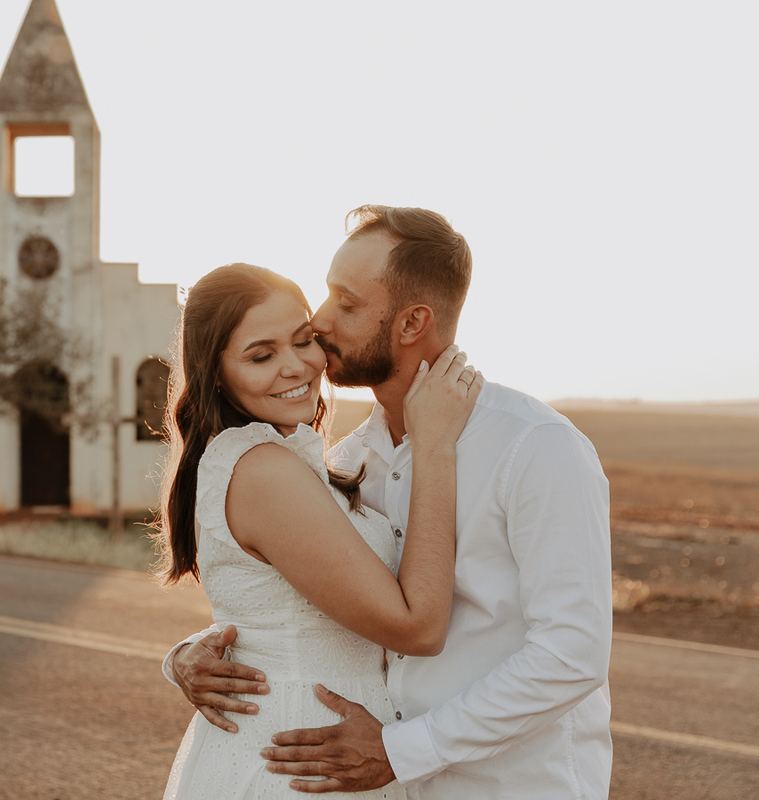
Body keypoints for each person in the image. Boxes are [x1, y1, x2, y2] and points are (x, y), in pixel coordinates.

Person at [165, 206, 613, 798]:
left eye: (345, 303)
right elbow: (305, 603)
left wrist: (403, 752)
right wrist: (190, 655)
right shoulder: (347, 461)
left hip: (503, 785)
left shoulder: (536, 447)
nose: (320, 321)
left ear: (411, 323)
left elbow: (572, 654)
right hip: (370, 779)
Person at [158, 262, 482, 799]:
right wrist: (434, 444)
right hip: (299, 759)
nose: (296, 366)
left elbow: (268, 608)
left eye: (303, 339)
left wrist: (183, 656)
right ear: (216, 373)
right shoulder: (263, 468)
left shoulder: (284, 458)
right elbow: (418, 628)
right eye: (261, 355)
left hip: (311, 743)